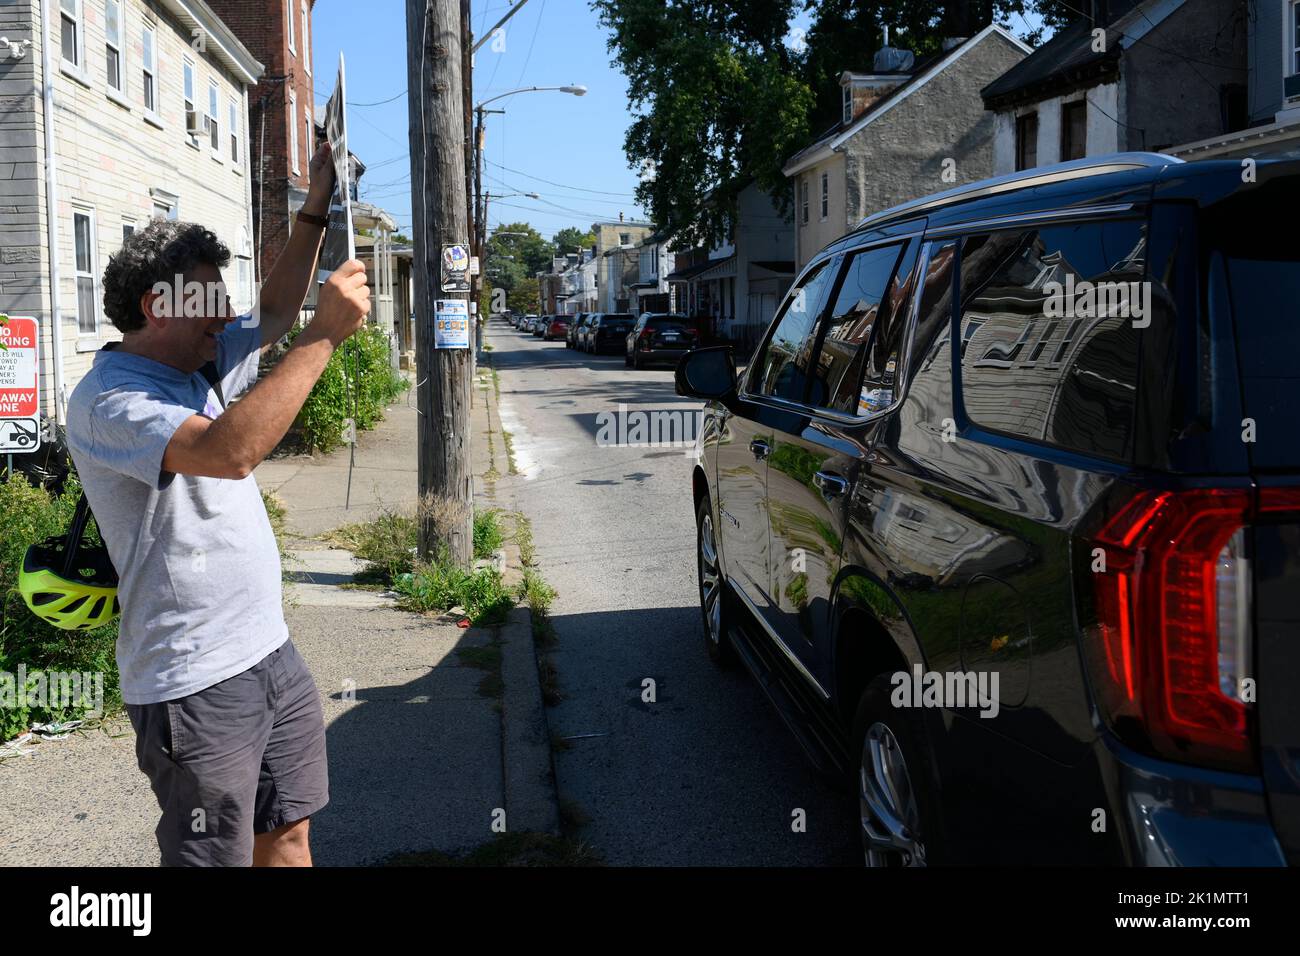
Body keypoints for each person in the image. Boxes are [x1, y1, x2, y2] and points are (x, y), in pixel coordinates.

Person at [64, 142, 370, 867]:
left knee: (288, 835)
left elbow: (272, 307)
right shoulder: (110, 399)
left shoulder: (201, 361)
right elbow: (229, 452)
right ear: (156, 304)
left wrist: (316, 207)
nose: (225, 312)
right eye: (208, 296)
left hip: (269, 651)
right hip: (193, 681)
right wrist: (324, 334)